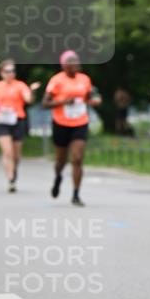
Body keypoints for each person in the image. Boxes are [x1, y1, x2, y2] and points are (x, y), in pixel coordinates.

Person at [42, 50, 101, 206]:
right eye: (71, 61)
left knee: (77, 158)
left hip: (80, 122)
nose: (76, 63)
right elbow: (45, 103)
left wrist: (94, 101)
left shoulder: (85, 79)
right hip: (61, 123)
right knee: (61, 160)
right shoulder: (56, 81)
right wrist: (62, 102)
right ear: (64, 65)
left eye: (77, 60)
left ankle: (76, 194)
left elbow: (88, 98)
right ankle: (58, 177)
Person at [0, 60, 40, 192]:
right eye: (7, 71)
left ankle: (14, 171)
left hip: (17, 120)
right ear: (1, 73)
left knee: (16, 155)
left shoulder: (20, 85)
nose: (11, 74)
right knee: (7, 152)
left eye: (13, 71)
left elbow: (28, 100)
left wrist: (32, 91)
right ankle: (10, 179)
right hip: (2, 121)